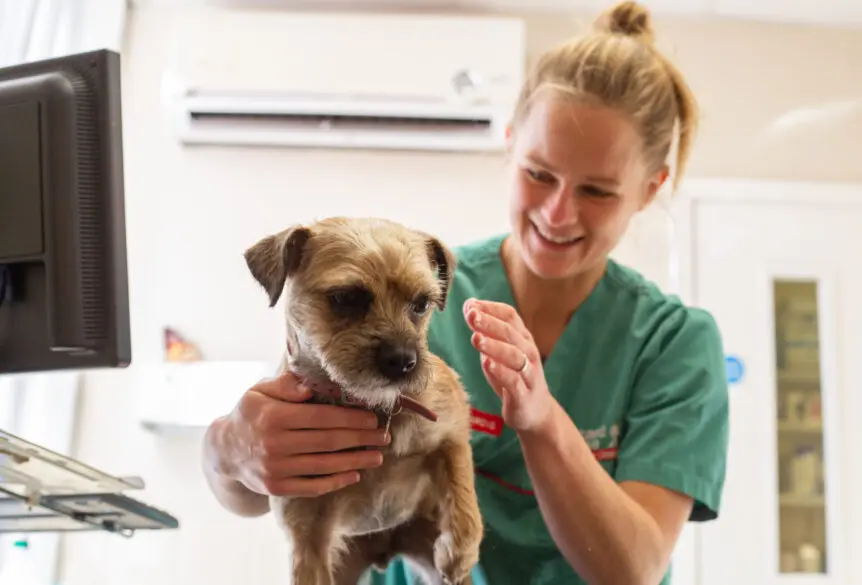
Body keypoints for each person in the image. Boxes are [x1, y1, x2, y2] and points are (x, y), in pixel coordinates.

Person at [200, 1, 730, 584]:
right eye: (538, 173)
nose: (558, 212)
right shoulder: (428, 286)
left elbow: (633, 570)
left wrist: (542, 419)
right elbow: (264, 479)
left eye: (598, 191)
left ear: (649, 189)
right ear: (510, 145)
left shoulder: (673, 343)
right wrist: (230, 449)